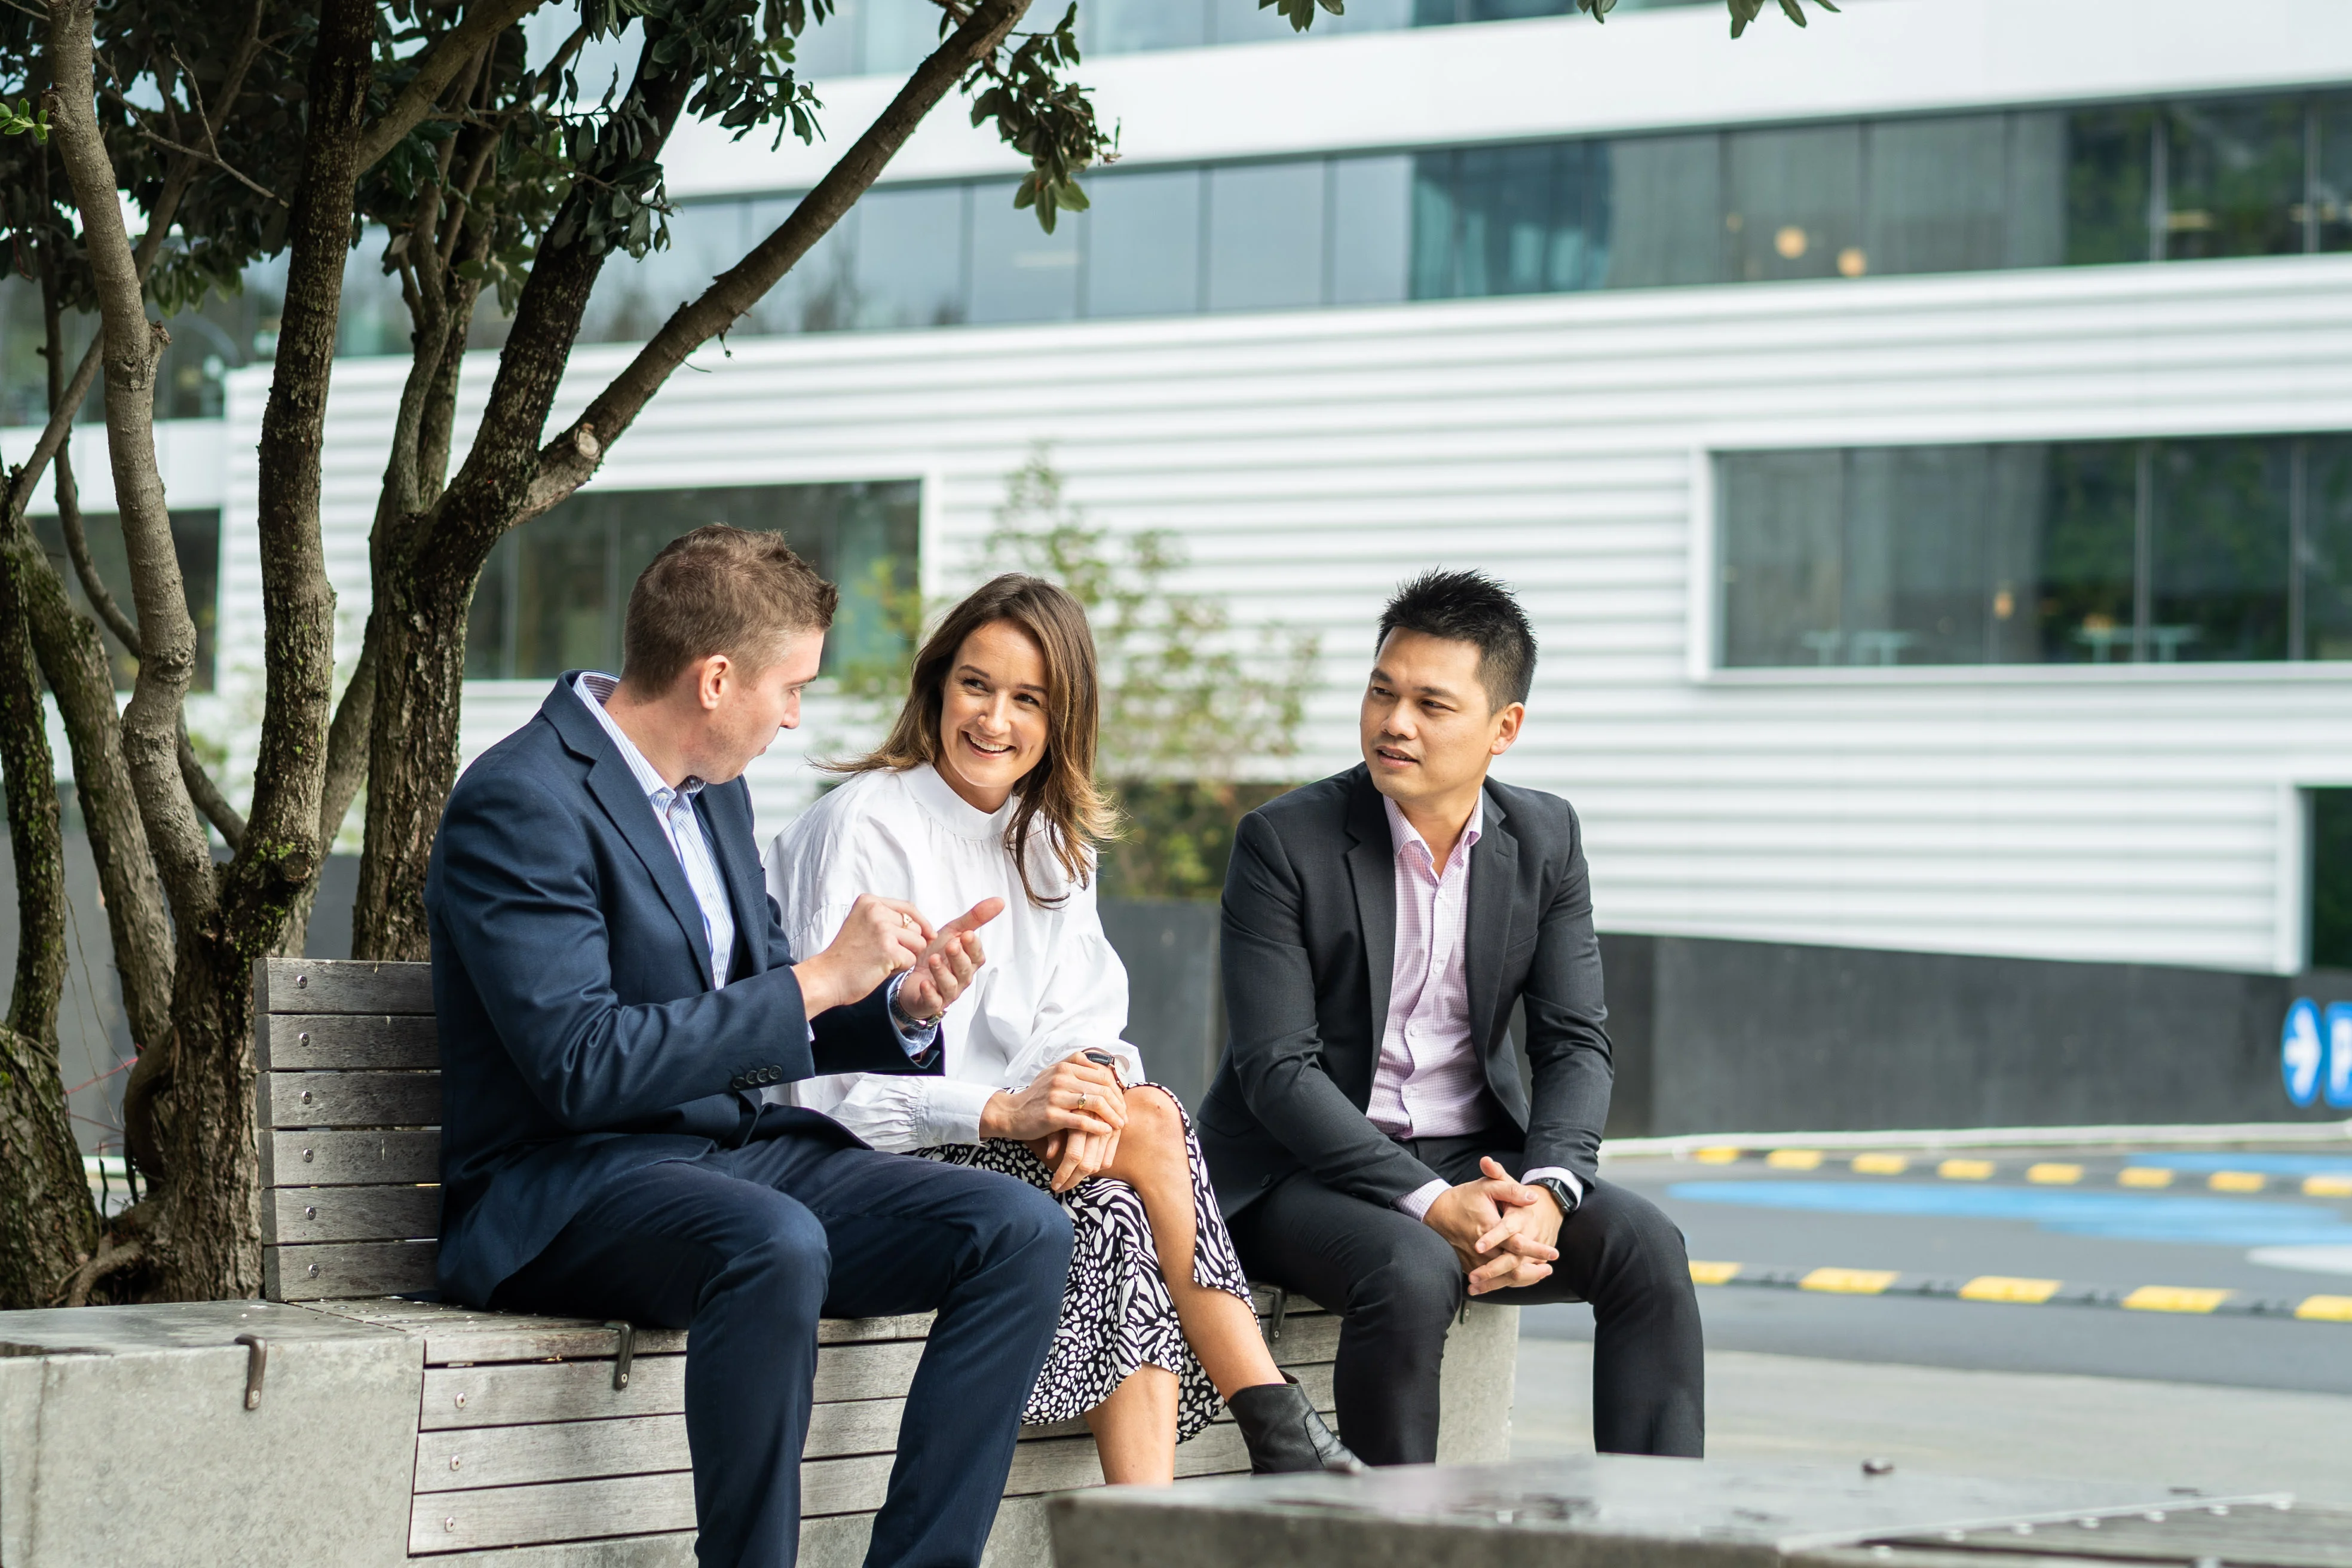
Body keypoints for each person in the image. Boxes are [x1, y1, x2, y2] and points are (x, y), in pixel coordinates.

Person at [427, 526, 1075, 1568]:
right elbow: (582, 1066)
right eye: (791, 685)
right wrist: (815, 977)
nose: (797, 713)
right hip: (566, 1185)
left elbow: (773, 1016)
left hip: (729, 1159)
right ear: (716, 678)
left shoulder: (718, 792)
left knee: (1020, 1229)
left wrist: (897, 1006)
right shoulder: (521, 800)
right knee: (773, 1243)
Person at [766, 574, 1359, 1485]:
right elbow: (824, 1093)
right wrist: (1006, 1109)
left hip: (1003, 1154)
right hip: (858, 1168)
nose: (994, 721)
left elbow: (1085, 1023)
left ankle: (1147, 1536)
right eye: (976, 685)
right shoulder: (862, 826)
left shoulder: (1050, 845)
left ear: (1062, 718)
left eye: (1028, 700)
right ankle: (1273, 1416)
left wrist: (1078, 1095)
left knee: (1120, 1201)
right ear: (936, 687)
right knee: (1153, 1122)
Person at [1198, 567, 1705, 1466]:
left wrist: (1548, 1191)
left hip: (1475, 1152)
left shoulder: (1545, 839)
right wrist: (1435, 1205)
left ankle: (1654, 1536)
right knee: (1411, 1264)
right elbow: (1276, 1071)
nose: (1396, 723)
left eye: (1433, 704)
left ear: (1503, 729)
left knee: (1648, 1248)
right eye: (1382, 692)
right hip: (1298, 1173)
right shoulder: (1284, 843)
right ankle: (1392, 1542)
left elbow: (1574, 1042)